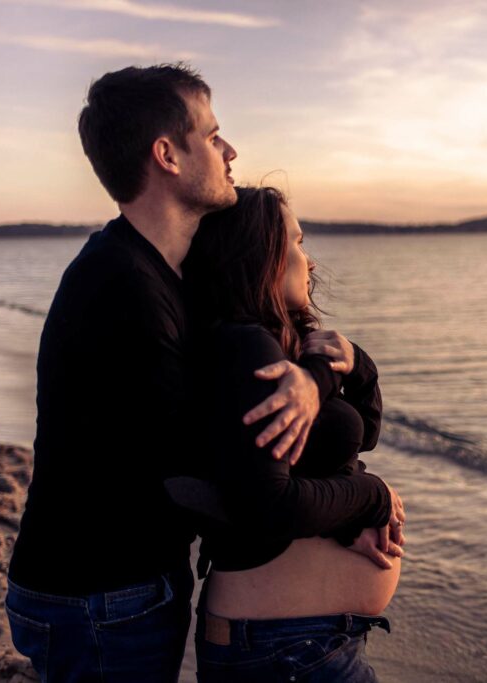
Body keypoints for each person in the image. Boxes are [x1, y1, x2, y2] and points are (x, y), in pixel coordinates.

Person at [6, 64, 336, 682]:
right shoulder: (122, 285)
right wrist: (360, 507)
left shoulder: (156, 272)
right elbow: (194, 473)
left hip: (111, 589)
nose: (230, 151)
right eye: (212, 136)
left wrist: (321, 372)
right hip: (98, 597)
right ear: (167, 155)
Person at [174, 185, 405, 682]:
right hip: (283, 646)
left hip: (295, 642)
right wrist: (372, 496)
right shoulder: (246, 350)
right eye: (298, 242)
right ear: (261, 254)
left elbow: (361, 437)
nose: (310, 261)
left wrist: (358, 365)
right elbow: (268, 506)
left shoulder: (274, 346)